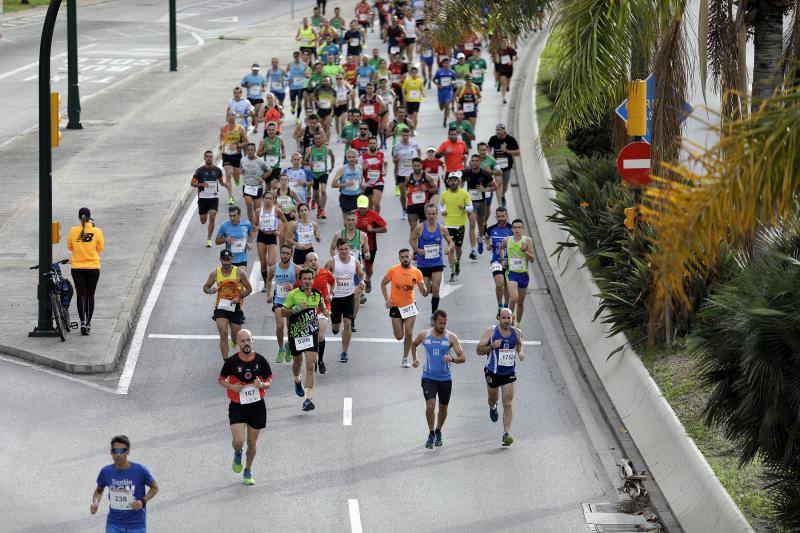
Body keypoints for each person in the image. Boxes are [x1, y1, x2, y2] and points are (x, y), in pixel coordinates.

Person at [218, 329, 272, 484]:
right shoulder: (232, 362)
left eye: (248, 340)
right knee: (239, 441)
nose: (246, 343)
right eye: (242, 341)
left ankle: (247, 471)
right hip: (238, 406)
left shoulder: (261, 361)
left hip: (257, 407)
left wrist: (262, 384)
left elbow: (269, 381)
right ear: (237, 343)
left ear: (252, 340)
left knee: (252, 443)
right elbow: (221, 379)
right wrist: (231, 387)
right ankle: (237, 452)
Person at [410, 309, 465, 449]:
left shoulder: (451, 337)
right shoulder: (424, 335)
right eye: (440, 323)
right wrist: (415, 359)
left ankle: (439, 430)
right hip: (429, 377)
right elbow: (414, 344)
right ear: (434, 321)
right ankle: (431, 433)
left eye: (445, 323)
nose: (443, 326)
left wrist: (452, 359)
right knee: (430, 405)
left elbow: (462, 357)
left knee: (443, 408)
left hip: (445, 379)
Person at [476, 308, 525, 446]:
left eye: (508, 318)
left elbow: (519, 344)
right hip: (493, 372)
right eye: (503, 318)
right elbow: (479, 350)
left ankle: (506, 433)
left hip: (509, 373)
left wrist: (520, 353)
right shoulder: (491, 331)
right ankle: (492, 407)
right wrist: (492, 346)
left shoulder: (516, 332)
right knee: (493, 399)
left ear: (512, 319)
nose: (506, 321)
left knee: (508, 403)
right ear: (499, 318)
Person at [282, 269, 329, 411]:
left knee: (310, 366)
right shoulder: (293, 294)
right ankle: (297, 380)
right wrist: (295, 309)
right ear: (300, 280)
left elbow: (323, 309)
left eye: (310, 279)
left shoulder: (317, 294)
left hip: (311, 334)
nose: (308, 281)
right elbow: (283, 312)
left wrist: (327, 310)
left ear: (313, 280)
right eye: (305, 279)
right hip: (296, 335)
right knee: (297, 364)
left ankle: (307, 399)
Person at [91, 435, 158, 531]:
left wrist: (142, 501)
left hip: (136, 524)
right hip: (114, 523)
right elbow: (98, 491)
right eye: (115, 451)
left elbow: (154, 488)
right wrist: (95, 502)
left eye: (122, 451)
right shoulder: (106, 472)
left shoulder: (140, 470)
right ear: (111, 452)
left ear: (128, 451)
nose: (118, 454)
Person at [409, 203, 455, 325]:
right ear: (425, 214)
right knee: (424, 293)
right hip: (423, 263)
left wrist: (448, 249)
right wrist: (418, 250)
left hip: (436, 262)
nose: (431, 216)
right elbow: (411, 239)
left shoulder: (442, 228)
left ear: (437, 214)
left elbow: (451, 242)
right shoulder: (420, 227)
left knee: (436, 288)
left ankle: (433, 315)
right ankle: (428, 284)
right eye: (429, 214)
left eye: (433, 214)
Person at [381, 248, 428, 367]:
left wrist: (424, 289)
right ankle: (400, 336)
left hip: (410, 306)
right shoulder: (393, 270)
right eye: (402, 257)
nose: (405, 259)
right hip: (396, 306)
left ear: (411, 257)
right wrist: (387, 300)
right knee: (399, 336)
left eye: (407, 256)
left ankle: (405, 359)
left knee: (409, 333)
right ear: (399, 258)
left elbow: (424, 292)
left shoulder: (417, 272)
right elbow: (383, 284)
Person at [204, 249, 253, 360]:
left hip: (235, 307)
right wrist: (209, 291)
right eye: (224, 260)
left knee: (236, 337)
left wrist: (239, 297)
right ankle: (226, 361)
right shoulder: (215, 273)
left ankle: (234, 342)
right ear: (220, 259)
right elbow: (205, 287)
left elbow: (249, 289)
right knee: (223, 333)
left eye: (228, 260)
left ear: (232, 259)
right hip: (221, 307)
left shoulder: (239, 272)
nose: (226, 262)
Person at [325, 239, 365, 362]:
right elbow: (322, 275)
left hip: (349, 296)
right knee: (336, 328)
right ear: (337, 249)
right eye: (341, 249)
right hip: (335, 298)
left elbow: (361, 274)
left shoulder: (355, 261)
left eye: (346, 249)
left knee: (347, 323)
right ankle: (335, 327)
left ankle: (344, 352)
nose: (344, 251)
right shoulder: (332, 262)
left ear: (349, 249)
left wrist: (362, 283)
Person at [68, 207, 105, 336]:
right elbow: (100, 247)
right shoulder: (97, 231)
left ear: (80, 218)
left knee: (81, 295)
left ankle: (82, 322)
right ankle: (88, 323)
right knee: (90, 295)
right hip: (93, 268)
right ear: (90, 218)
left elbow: (70, 247)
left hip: (77, 268)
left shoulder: (73, 231)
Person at [499, 219, 536, 327]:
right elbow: (501, 248)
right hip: (512, 273)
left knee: (520, 302)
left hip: (523, 275)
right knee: (514, 298)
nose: (517, 229)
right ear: (512, 229)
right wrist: (503, 259)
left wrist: (525, 251)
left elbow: (533, 259)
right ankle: (508, 321)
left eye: (519, 227)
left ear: (522, 229)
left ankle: (518, 324)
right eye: (515, 227)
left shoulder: (527, 240)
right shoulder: (507, 240)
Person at [267, 244, 298, 363]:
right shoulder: (274, 268)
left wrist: (294, 286)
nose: (285, 255)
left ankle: (289, 347)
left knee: (290, 327)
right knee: (280, 326)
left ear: (291, 254)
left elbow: (302, 284)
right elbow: (269, 280)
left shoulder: (296, 269)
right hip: (279, 301)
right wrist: (268, 294)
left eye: (287, 253)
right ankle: (280, 349)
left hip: (291, 302)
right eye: (283, 253)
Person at [462, 154, 497, 260]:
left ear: (479, 162)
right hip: (471, 202)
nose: (474, 162)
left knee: (481, 225)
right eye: (472, 160)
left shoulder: (485, 174)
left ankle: (480, 239)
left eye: (476, 161)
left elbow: (495, 186)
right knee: (472, 224)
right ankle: (473, 250)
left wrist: (485, 190)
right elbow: (461, 184)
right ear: (470, 162)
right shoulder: (466, 173)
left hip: (482, 202)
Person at [439, 172, 472, 282]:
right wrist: (443, 211)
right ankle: (452, 270)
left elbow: (470, 208)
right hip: (448, 225)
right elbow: (440, 204)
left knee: (458, 248)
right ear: (448, 182)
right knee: (451, 248)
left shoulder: (464, 194)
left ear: (459, 182)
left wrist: (463, 208)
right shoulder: (444, 194)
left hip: (460, 225)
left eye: (455, 180)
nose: (453, 182)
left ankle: (457, 262)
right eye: (451, 180)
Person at [355, 195, 387, 294]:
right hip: (356, 247)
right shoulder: (353, 215)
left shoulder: (373, 214)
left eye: (364, 208)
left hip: (371, 246)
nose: (362, 210)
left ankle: (368, 280)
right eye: (360, 208)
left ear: (368, 206)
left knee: (368, 269)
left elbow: (385, 228)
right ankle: (358, 291)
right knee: (356, 268)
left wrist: (373, 229)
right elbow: (346, 226)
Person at [192, 151, 225, 248]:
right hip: (202, 198)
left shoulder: (218, 170)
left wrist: (225, 185)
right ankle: (205, 212)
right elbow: (192, 183)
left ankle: (209, 238)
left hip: (214, 197)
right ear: (204, 158)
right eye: (207, 156)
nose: (209, 158)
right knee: (203, 220)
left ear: (213, 158)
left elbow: (221, 181)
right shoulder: (199, 171)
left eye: (211, 156)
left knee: (213, 216)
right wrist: (201, 184)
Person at [255, 191, 287, 291]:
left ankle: (270, 279)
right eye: (266, 198)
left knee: (271, 262)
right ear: (263, 199)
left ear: (273, 200)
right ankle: (266, 283)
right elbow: (255, 224)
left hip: (272, 236)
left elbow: (285, 222)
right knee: (263, 263)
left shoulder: (277, 211)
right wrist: (256, 228)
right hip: (261, 236)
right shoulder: (258, 211)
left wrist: (279, 231)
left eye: (270, 198)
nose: (268, 200)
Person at [484, 206, 513, 312]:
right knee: (500, 284)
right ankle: (500, 306)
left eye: (503, 216)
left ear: (506, 216)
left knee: (507, 285)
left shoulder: (511, 229)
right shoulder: (491, 229)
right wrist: (488, 245)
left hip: (509, 261)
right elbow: (486, 237)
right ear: (496, 217)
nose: (501, 218)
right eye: (499, 216)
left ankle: (505, 306)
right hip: (496, 260)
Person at [488, 124, 521, 208]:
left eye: (499, 130)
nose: (497, 132)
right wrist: (489, 156)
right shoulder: (493, 139)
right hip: (496, 166)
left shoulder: (510, 139)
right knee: (498, 184)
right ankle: (500, 204)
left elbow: (518, 152)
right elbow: (488, 149)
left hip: (507, 167)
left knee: (505, 186)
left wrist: (506, 150)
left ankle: (502, 195)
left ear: (504, 130)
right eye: (496, 130)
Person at [303, 130, 335, 219]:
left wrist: (332, 166)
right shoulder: (310, 149)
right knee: (316, 193)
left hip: (324, 172)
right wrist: (309, 164)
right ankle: (319, 206)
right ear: (313, 139)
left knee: (323, 190)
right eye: (316, 139)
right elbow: (304, 161)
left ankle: (322, 210)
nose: (317, 140)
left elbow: (332, 156)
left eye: (319, 138)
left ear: (322, 139)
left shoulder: (327, 148)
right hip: (314, 173)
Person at [219, 109, 249, 203]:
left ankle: (237, 179)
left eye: (233, 115)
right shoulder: (223, 128)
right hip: (226, 154)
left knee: (236, 176)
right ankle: (231, 197)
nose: (231, 117)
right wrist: (221, 144)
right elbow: (221, 137)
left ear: (235, 117)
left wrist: (238, 145)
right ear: (227, 117)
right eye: (229, 115)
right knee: (228, 174)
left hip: (236, 155)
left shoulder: (240, 128)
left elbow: (247, 141)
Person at [392, 128, 420, 218]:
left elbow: (419, 151)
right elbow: (394, 160)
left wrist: (418, 160)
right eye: (404, 135)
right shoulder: (397, 146)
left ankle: (413, 210)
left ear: (409, 135)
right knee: (403, 194)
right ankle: (404, 210)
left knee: (413, 192)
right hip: (402, 173)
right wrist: (397, 159)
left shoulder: (414, 144)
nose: (406, 137)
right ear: (401, 136)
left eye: (407, 135)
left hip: (412, 173)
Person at [240, 143, 270, 228]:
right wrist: (241, 171)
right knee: (249, 205)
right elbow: (241, 169)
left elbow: (269, 170)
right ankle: (252, 225)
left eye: (252, 150)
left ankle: (257, 225)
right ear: (246, 151)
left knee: (257, 209)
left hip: (258, 187)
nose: (250, 151)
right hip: (247, 186)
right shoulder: (243, 160)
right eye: (248, 150)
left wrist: (263, 177)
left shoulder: (260, 161)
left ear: (255, 151)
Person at [405, 158, 436, 232]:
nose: (417, 167)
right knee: (413, 226)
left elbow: (436, 190)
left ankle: (422, 243)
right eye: (415, 166)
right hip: (412, 205)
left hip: (424, 205)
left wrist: (427, 189)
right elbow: (405, 187)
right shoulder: (408, 178)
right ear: (412, 166)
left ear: (422, 166)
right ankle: (414, 243)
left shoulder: (427, 177)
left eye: (418, 165)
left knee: (424, 227)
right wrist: (406, 192)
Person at [331, 148, 364, 213]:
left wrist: (363, 183)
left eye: (353, 157)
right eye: (349, 157)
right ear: (346, 158)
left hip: (357, 197)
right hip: (345, 198)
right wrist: (345, 184)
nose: (351, 159)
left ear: (356, 158)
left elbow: (362, 179)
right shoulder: (342, 170)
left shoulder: (360, 168)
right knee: (347, 220)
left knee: (356, 220)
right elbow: (333, 184)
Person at [359, 136, 387, 212]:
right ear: (368, 144)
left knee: (376, 202)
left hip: (379, 182)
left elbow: (385, 163)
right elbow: (358, 170)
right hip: (367, 184)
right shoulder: (363, 157)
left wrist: (385, 170)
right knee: (369, 205)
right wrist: (363, 168)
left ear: (377, 144)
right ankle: (372, 219)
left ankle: (377, 219)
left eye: (374, 143)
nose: (372, 145)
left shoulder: (381, 154)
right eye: (370, 143)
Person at [257, 121, 285, 186]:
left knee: (274, 185)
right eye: (269, 130)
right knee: (268, 185)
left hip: (277, 166)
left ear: (276, 130)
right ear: (267, 131)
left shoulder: (280, 140)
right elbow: (258, 154)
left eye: (273, 130)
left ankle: (274, 195)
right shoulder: (263, 141)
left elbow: (283, 147)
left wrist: (283, 153)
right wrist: (265, 150)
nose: (271, 131)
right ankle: (267, 196)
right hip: (267, 166)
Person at [241, 64, 266, 132]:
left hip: (258, 97)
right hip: (250, 97)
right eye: (254, 69)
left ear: (258, 70)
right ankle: (251, 123)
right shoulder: (247, 77)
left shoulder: (261, 77)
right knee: (251, 113)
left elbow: (264, 85)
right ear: (252, 69)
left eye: (257, 70)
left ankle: (255, 128)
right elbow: (242, 84)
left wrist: (263, 89)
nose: (255, 71)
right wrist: (247, 85)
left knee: (256, 113)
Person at [433, 58, 457, 127]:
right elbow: (434, 80)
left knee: (447, 104)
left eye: (447, 63)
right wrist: (438, 85)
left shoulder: (452, 72)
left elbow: (455, 80)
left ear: (449, 64)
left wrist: (453, 83)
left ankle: (445, 120)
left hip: (449, 90)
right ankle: (442, 105)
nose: (446, 64)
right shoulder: (439, 72)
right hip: (441, 92)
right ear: (443, 64)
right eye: (445, 63)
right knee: (441, 108)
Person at [287, 51, 310, 120]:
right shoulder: (290, 64)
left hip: (301, 86)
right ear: (293, 57)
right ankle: (293, 108)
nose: (296, 58)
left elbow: (307, 74)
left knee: (300, 102)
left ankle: (297, 117)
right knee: (293, 102)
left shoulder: (304, 64)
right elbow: (285, 73)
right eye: (295, 56)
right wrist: (287, 79)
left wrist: (307, 75)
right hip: (292, 86)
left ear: (300, 56)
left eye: (297, 56)